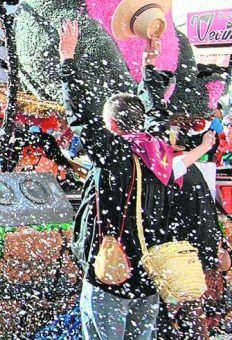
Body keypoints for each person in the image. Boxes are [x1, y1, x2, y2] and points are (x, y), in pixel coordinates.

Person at [59, 21, 175, 339]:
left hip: (111, 272)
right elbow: (157, 114)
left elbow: (81, 116)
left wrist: (68, 60)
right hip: (148, 276)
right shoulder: (156, 149)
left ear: (110, 124)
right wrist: (149, 68)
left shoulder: (112, 152)